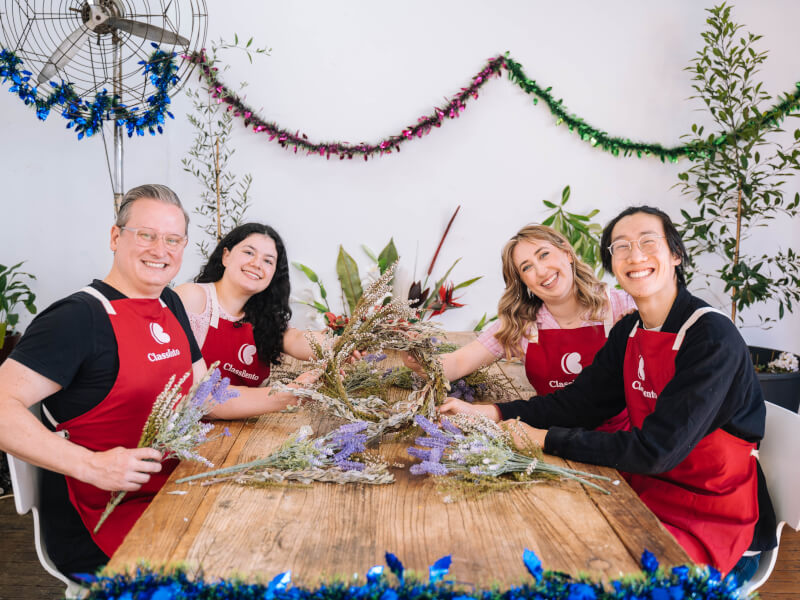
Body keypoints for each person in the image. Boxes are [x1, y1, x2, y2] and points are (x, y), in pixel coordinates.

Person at [440, 206, 776, 577]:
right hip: (645, 495)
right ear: (612, 264)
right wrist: (492, 414)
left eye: (648, 242)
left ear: (676, 255)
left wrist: (540, 438)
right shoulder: (630, 330)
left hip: (716, 520)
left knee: (587, 574)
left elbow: (656, 451)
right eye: (621, 247)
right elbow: (579, 404)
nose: (635, 255)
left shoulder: (710, 336)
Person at [0, 185, 306, 578]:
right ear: (115, 237)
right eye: (145, 235)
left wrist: (292, 394)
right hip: (104, 515)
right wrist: (91, 465)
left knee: (280, 534)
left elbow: (205, 396)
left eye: (172, 239)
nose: (160, 250)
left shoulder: (169, 303)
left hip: (171, 488)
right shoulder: (78, 317)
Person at [411, 224, 635, 431]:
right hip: (552, 438)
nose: (541, 271)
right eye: (527, 267)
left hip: (621, 443)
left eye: (544, 255)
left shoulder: (621, 305)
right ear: (523, 282)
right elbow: (459, 362)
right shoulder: (522, 325)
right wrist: (415, 354)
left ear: (567, 253)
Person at [175, 223, 321, 393]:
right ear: (226, 256)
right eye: (249, 252)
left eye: (268, 261)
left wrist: (344, 346)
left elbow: (297, 339)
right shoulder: (192, 298)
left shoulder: (266, 320)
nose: (257, 264)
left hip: (246, 418)